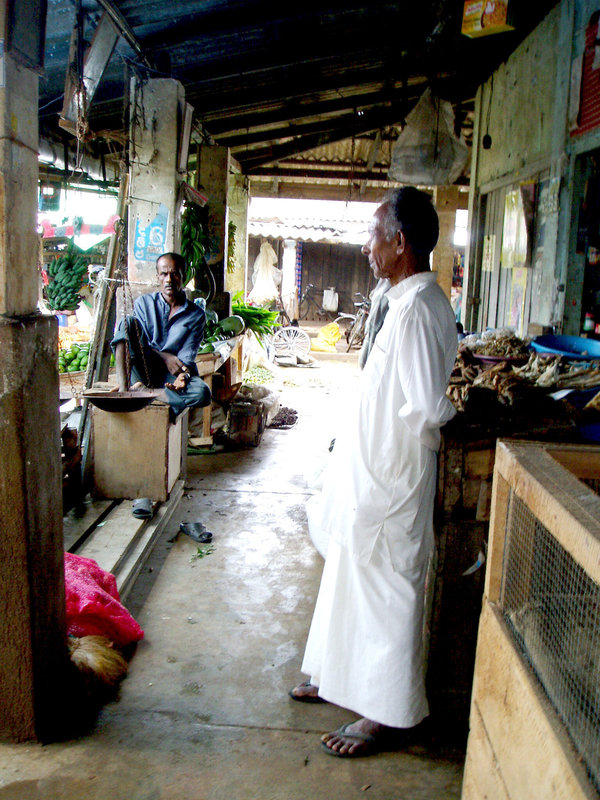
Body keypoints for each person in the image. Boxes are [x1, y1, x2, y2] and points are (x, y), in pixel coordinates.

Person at [290, 187, 458, 757]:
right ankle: (336, 676)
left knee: (388, 590)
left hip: (391, 478)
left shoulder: (416, 311)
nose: (367, 248)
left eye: (374, 236)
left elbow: (430, 406)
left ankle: (386, 713)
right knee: (351, 576)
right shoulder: (409, 300)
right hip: (373, 472)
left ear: (400, 243)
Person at [112, 252, 211, 517]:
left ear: (184, 276)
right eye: (164, 274)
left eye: (175, 273)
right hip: (142, 371)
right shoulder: (144, 303)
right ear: (158, 277)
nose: (169, 279)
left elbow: (187, 358)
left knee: (202, 391)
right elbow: (140, 344)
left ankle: (146, 395)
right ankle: (127, 391)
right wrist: (165, 355)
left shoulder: (196, 315)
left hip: (171, 380)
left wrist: (181, 376)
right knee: (127, 323)